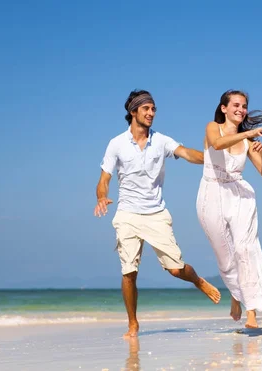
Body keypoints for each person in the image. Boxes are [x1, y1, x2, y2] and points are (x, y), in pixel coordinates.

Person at [94, 89, 221, 337]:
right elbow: (104, 178)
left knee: (175, 269)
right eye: (146, 109)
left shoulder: (161, 140)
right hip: (127, 214)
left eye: (153, 109)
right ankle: (133, 323)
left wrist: (208, 158)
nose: (151, 113)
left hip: (156, 213)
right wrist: (101, 196)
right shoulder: (116, 144)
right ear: (133, 112)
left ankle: (197, 281)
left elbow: (185, 153)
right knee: (128, 271)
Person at [196, 90, 262, 329]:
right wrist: (248, 133)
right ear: (224, 109)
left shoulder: (248, 141)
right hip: (211, 194)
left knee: (245, 250)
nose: (241, 109)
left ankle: (252, 311)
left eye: (244, 106)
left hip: (240, 195)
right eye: (236, 105)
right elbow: (218, 144)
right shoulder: (213, 128)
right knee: (225, 258)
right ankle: (236, 294)